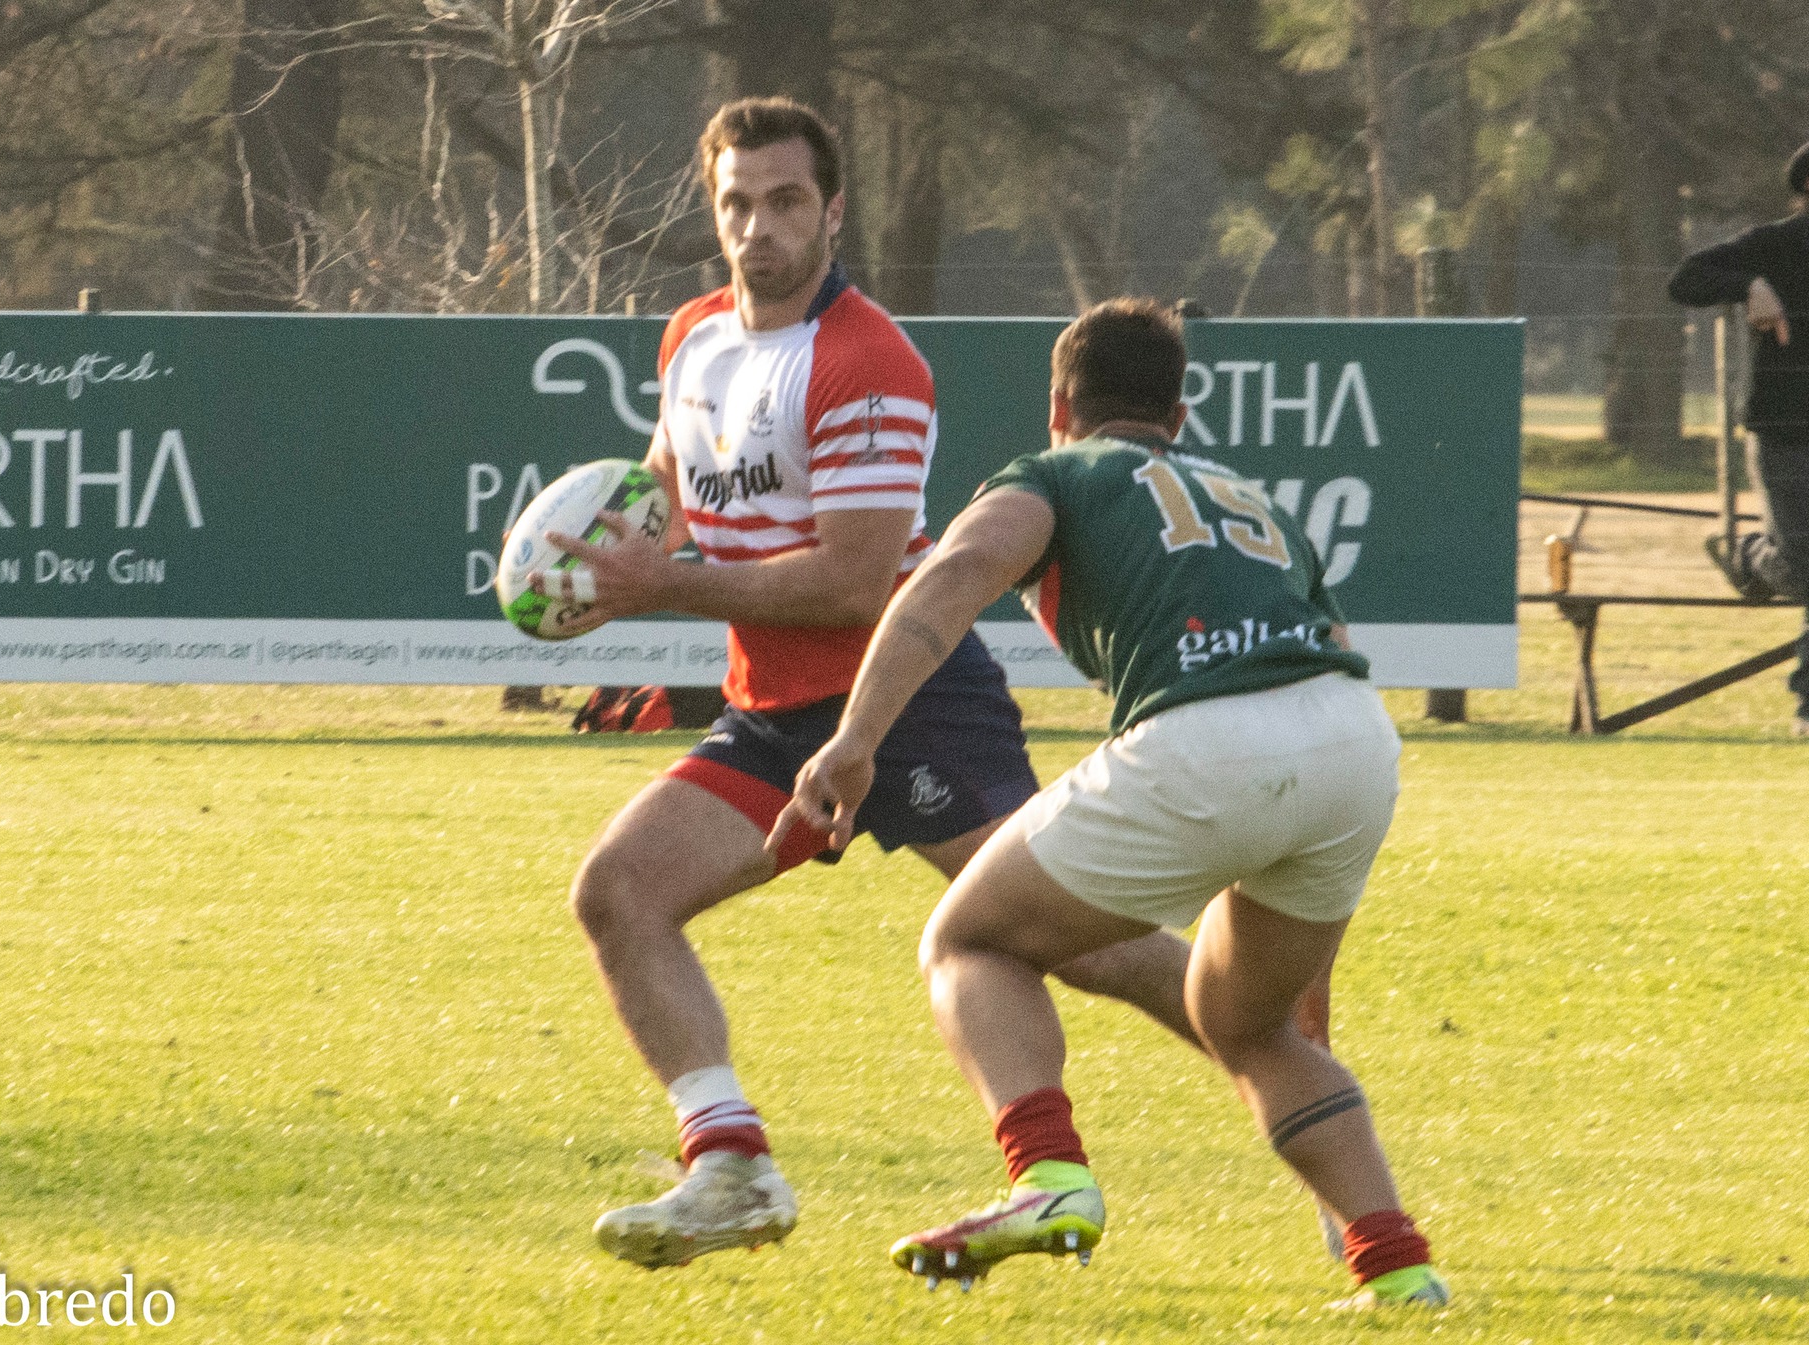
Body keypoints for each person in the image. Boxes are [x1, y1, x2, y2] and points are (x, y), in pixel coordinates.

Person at [539, 97, 1223, 1271]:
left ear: (833, 208)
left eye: (786, 201)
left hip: (906, 697)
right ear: (713, 213)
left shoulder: (869, 361)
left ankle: (1281, 1059)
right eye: (736, 203)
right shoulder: (691, 337)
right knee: (617, 891)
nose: (759, 227)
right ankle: (731, 1167)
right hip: (771, 715)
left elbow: (856, 583)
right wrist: (583, 559)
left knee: (1083, 945)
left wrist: (657, 588)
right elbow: (663, 484)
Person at [769, 298, 1449, 1308]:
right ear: (1175, 414)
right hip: (1353, 741)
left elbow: (949, 574)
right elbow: (1321, 647)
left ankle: (1046, 1178)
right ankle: (1397, 1271)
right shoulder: (1241, 493)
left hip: (1203, 737)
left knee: (970, 942)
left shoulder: (1054, 473)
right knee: (1251, 1024)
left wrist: (854, 739)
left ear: (1059, 406)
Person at [1670, 140, 1809, 738]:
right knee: (1803, 563)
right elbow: (1686, 278)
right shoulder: (1773, 245)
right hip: (1785, 434)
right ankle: (1750, 555)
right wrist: (1749, 282)